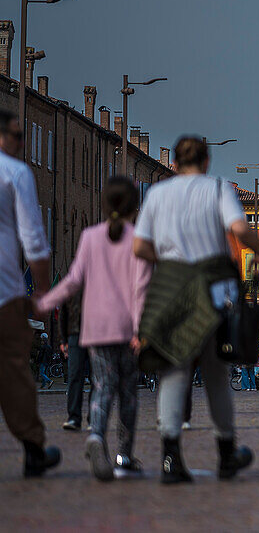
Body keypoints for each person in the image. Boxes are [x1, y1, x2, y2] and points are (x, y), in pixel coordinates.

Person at [133, 136, 259, 483]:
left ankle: (170, 460)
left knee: (173, 373)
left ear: (174, 165)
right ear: (207, 162)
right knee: (217, 377)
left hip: (173, 294)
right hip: (214, 294)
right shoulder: (218, 188)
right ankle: (226, 455)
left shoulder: (157, 195)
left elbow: (139, 245)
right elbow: (239, 228)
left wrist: (169, 262)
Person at [36, 177, 151, 480]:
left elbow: (73, 280)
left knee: (101, 386)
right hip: (126, 329)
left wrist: (46, 302)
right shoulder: (139, 239)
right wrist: (141, 329)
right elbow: (141, 289)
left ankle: (96, 436)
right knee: (127, 393)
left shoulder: (89, 236)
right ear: (134, 206)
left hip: (95, 327)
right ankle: (123, 455)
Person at [0, 108, 62, 477]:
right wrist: (42, 290)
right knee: (14, 371)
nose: (23, 144)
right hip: (5, 294)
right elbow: (34, 240)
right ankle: (33, 449)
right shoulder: (15, 173)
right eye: (17, 135)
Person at [59, 291, 92, 431]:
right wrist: (63, 339)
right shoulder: (73, 280)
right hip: (75, 333)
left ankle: (95, 418)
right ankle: (73, 417)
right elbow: (63, 311)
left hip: (96, 332)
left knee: (97, 378)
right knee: (74, 376)